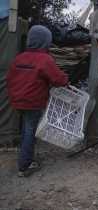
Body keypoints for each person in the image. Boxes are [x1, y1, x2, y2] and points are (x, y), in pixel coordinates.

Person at [6, 25, 69, 177]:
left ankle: (24, 157)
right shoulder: (45, 59)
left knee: (26, 129)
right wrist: (66, 79)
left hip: (17, 101)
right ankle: (25, 165)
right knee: (30, 131)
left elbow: (9, 78)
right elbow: (58, 80)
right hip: (32, 102)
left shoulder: (19, 58)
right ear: (46, 41)